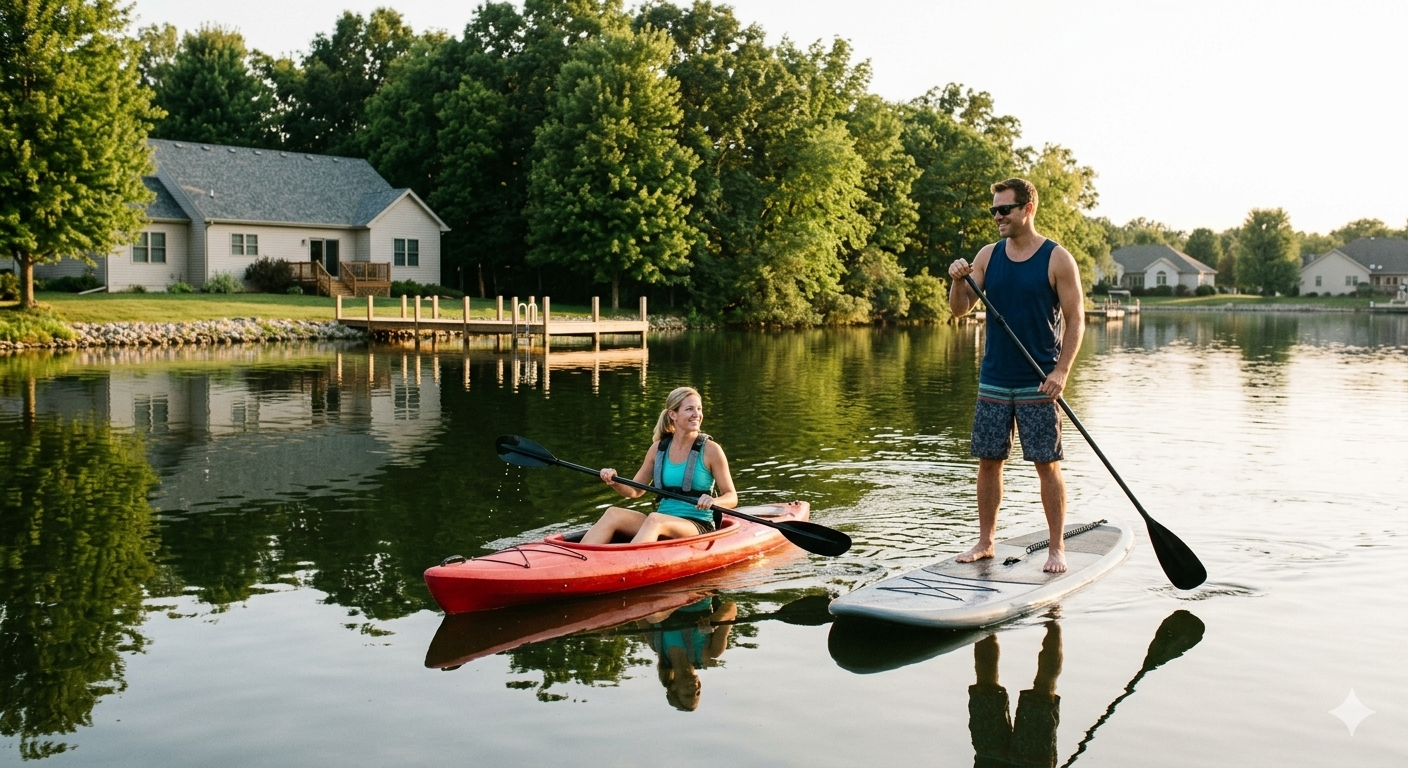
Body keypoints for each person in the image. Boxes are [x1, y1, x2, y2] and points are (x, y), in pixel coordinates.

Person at [948, 177, 1085, 573]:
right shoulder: (988, 256)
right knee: (989, 462)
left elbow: (1076, 319)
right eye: (993, 210)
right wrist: (957, 280)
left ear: (1028, 209)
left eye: (1004, 209)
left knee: (1047, 464)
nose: (997, 216)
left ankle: (1056, 548)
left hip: (1039, 381)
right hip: (994, 379)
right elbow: (959, 309)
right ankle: (985, 542)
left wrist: (1062, 371)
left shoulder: (1057, 259)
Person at [581, 386, 738, 545]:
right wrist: (614, 480)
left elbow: (731, 496)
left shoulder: (711, 450)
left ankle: (630, 559)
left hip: (697, 525)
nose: (696, 414)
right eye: (689, 409)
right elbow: (635, 490)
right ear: (673, 414)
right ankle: (577, 557)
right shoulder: (658, 449)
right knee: (613, 513)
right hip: (660, 521)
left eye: (699, 408)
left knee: (656, 520)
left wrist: (713, 501)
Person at [639, 597, 737, 711]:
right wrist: (713, 622)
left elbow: (639, 616)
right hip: (699, 595)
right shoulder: (712, 651)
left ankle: (678, 601)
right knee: (653, 617)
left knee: (653, 617)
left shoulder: (657, 646)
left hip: (663, 598)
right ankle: (682, 599)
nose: (695, 689)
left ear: (673, 688)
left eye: (688, 694)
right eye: (698, 693)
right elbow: (731, 608)